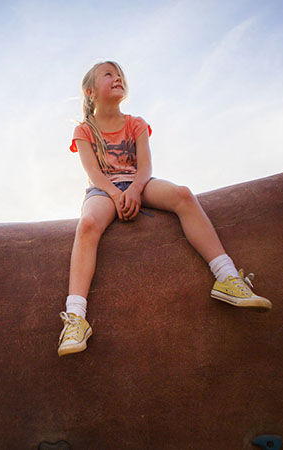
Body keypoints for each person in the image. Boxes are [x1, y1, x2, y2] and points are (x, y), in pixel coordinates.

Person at [58, 61, 271, 357]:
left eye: (120, 74)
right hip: (103, 190)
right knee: (88, 225)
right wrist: (114, 194)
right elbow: (94, 173)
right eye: (109, 74)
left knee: (183, 195)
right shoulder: (85, 130)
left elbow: (145, 167)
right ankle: (76, 318)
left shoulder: (136, 123)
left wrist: (133, 190)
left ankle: (227, 277)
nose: (117, 77)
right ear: (89, 91)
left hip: (139, 183)